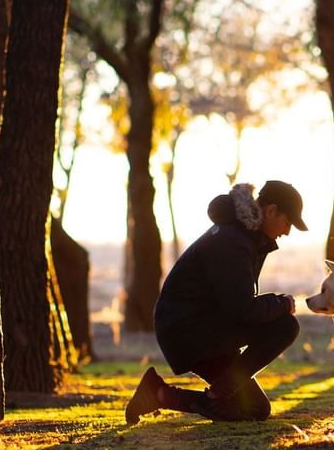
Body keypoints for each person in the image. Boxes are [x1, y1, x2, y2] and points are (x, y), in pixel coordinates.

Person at [125, 180, 307, 424]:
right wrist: (282, 304)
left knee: (255, 409)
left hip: (200, 327)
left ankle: (158, 394)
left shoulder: (245, 237)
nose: (286, 231)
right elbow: (242, 310)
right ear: (271, 210)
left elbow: (236, 304)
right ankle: (217, 395)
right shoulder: (233, 241)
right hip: (188, 330)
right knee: (285, 326)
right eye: (287, 223)